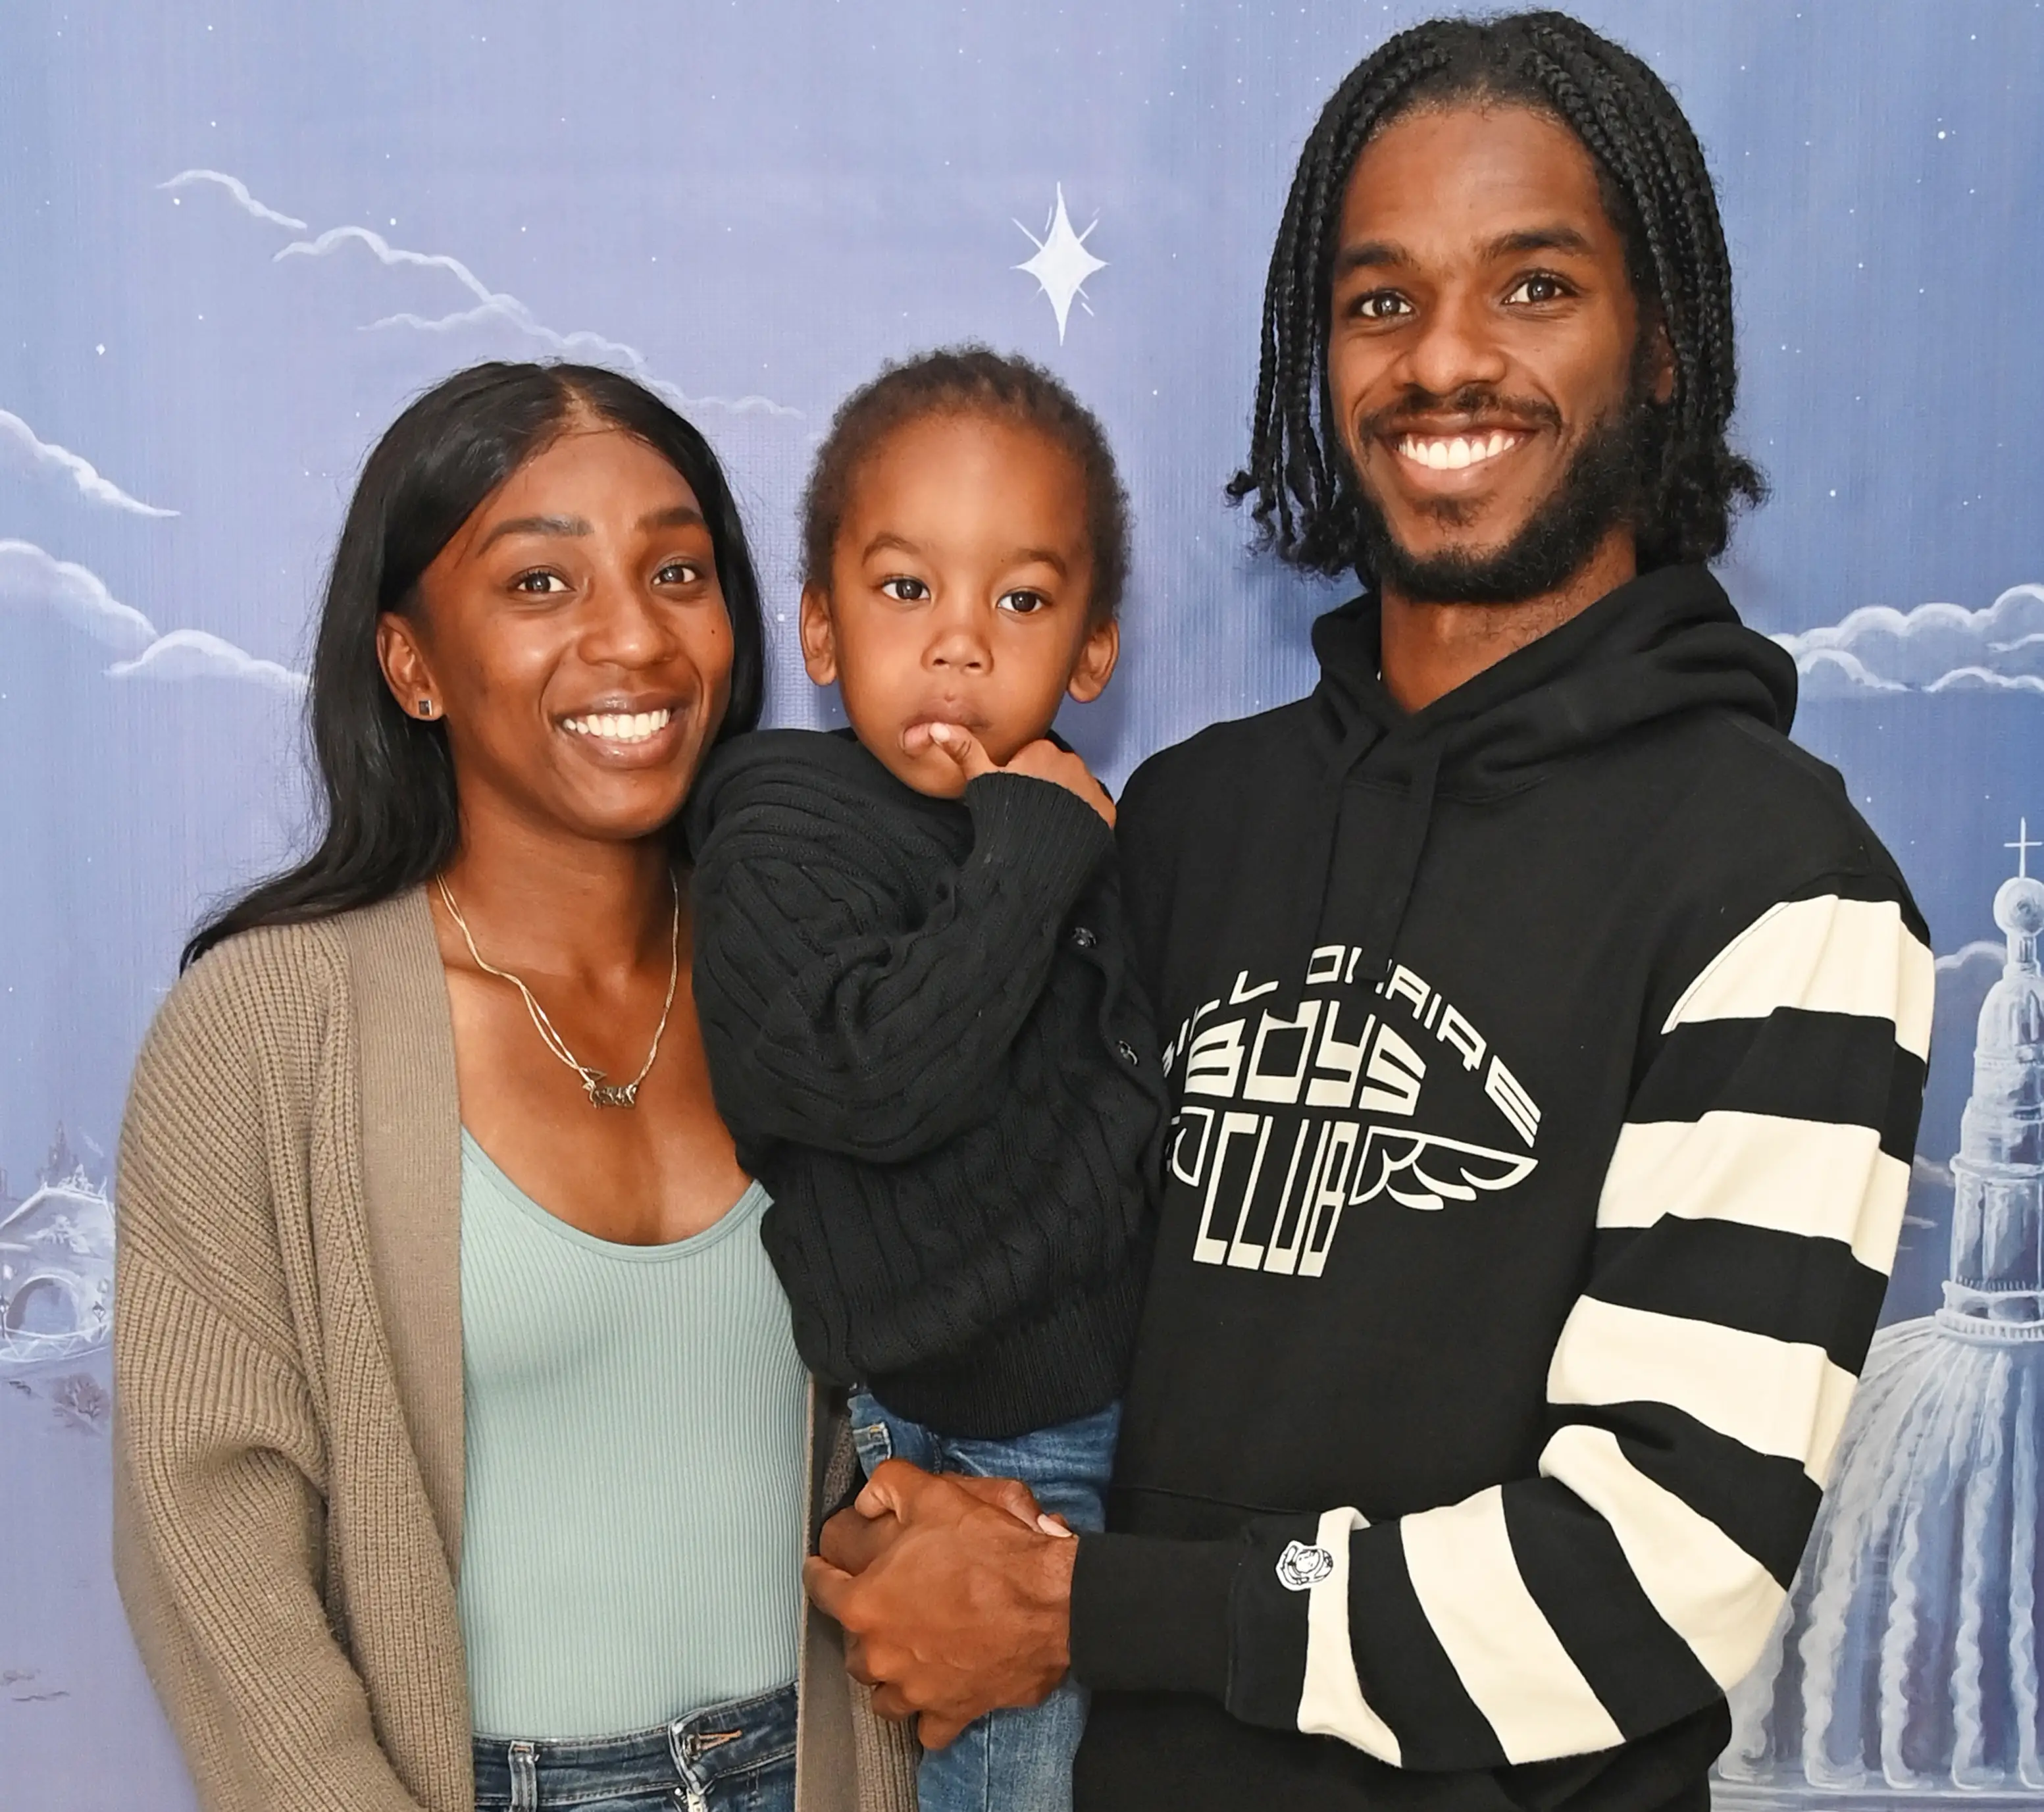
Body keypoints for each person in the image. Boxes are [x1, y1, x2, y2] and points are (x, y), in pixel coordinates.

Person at [802, 15, 1935, 1812]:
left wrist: (1087, 1609)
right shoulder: (1188, 821)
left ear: (1659, 343)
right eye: (1381, 301)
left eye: (1535, 287)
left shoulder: (1787, 890)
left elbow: (1654, 1579)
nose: (1446, 360)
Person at [113, 361, 911, 1812]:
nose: (634, 635)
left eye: (677, 571)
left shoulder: (838, 978)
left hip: (824, 1773)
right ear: (409, 664)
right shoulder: (266, 1030)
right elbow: (209, 1542)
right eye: (540, 583)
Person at [686, 348, 1162, 1812]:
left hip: (1136, 1418)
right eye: (905, 590)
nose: (959, 646)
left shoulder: (1083, 835)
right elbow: (878, 1079)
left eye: (1018, 602)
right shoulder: (779, 821)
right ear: (820, 626)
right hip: (978, 1438)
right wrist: (1033, 842)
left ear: (1091, 651)